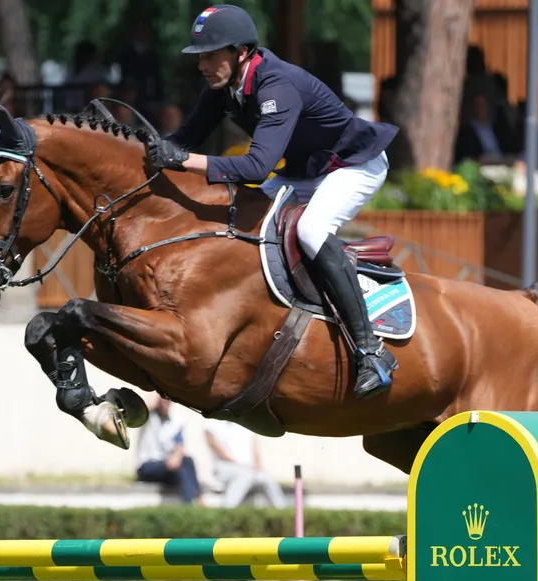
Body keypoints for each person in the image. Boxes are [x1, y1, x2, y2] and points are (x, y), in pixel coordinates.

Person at [144, 4, 401, 400]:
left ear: (241, 52)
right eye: (200, 57)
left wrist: (182, 161)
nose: (202, 65)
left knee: (311, 230)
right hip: (304, 170)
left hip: (352, 165)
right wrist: (141, 150)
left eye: (211, 55)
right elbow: (183, 140)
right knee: (236, 212)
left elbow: (256, 166)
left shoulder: (276, 85)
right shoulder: (223, 87)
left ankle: (370, 351)